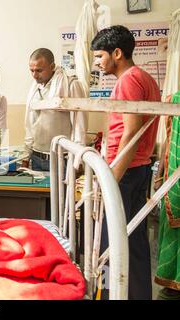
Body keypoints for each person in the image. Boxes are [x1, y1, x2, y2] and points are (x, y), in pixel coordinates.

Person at [91, 25, 161, 300]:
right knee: (134, 240)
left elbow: (130, 131)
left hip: (127, 171)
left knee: (112, 243)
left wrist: (111, 177)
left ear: (117, 53)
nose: (98, 63)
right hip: (138, 168)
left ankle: (110, 295)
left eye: (100, 56)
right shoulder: (144, 77)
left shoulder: (128, 79)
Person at [22, 48, 87, 171]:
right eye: (32, 71)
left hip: (61, 159)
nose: (34, 75)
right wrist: (26, 157)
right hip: (36, 158)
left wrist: (78, 159)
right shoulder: (34, 89)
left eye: (39, 70)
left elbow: (80, 126)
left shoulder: (70, 85)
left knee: (63, 190)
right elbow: (30, 125)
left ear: (52, 66)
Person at [153, 91, 180, 300]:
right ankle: (172, 284)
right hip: (174, 181)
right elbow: (168, 142)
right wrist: (161, 172)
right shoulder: (174, 100)